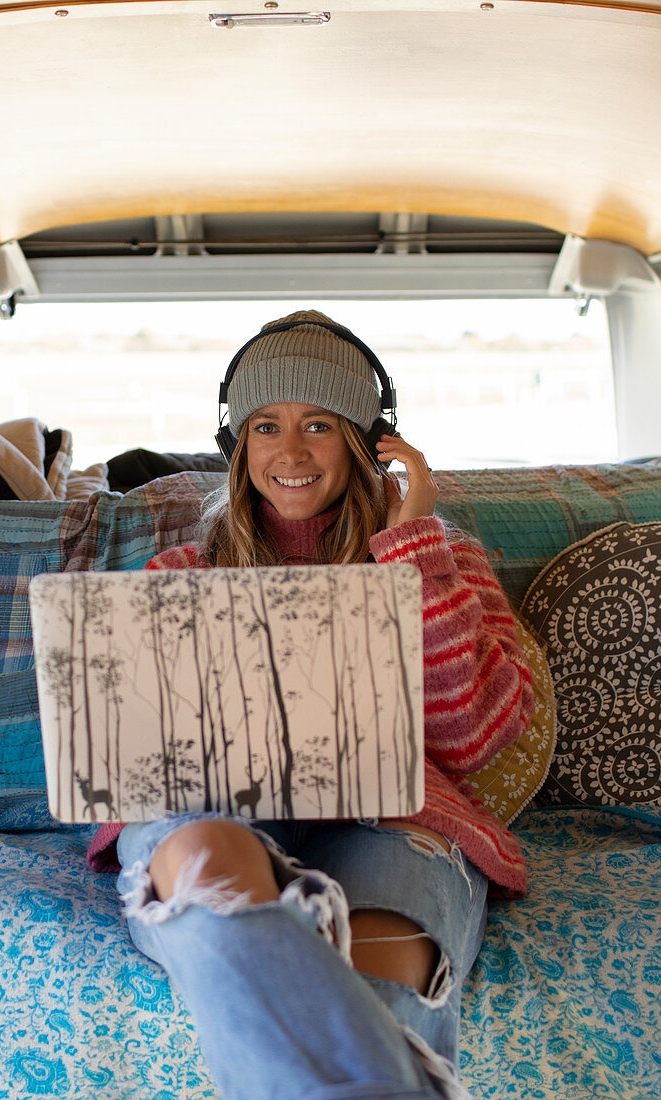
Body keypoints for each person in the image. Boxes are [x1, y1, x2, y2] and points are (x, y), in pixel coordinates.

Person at [88, 310, 534, 1100]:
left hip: (399, 813)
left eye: (319, 425)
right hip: (216, 803)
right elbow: (130, 756)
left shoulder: (439, 554)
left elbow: (473, 739)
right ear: (239, 446)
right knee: (206, 863)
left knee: (379, 984)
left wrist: (412, 552)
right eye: (265, 427)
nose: (289, 452)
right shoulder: (180, 570)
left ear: (367, 442)